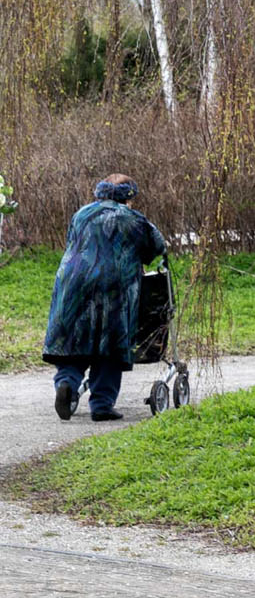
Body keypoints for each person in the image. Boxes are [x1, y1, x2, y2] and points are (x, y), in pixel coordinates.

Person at [43, 174, 167, 422]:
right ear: (128, 197)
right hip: (114, 286)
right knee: (110, 345)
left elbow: (72, 242)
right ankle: (101, 405)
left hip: (73, 282)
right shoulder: (133, 219)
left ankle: (66, 384)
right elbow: (157, 246)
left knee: (74, 342)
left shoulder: (81, 214)